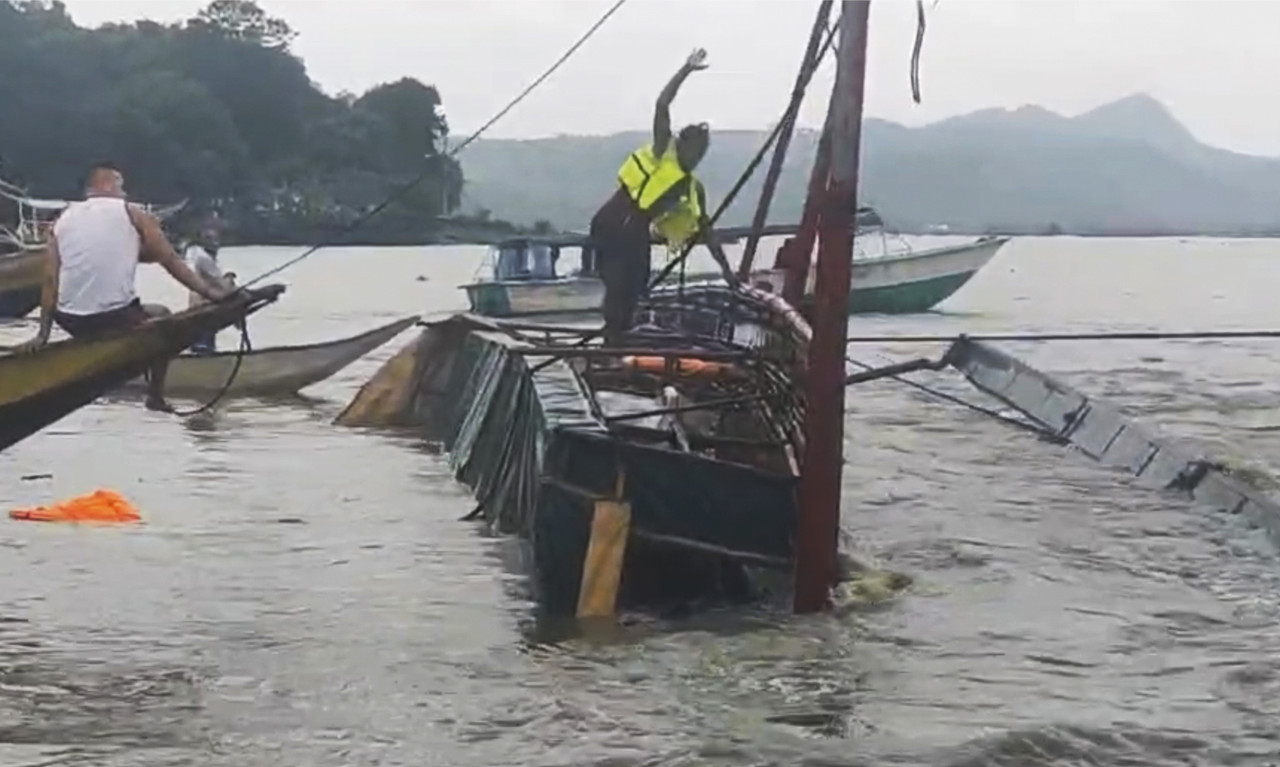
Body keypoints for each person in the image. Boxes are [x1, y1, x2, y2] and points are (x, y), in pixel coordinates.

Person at [17, 161, 229, 412]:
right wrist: (212, 294)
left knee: (131, 318)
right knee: (162, 317)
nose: (125, 193)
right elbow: (170, 260)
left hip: (70, 319)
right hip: (113, 317)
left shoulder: (61, 221)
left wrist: (43, 334)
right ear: (105, 185)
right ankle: (155, 396)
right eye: (121, 186)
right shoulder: (132, 213)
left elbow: (51, 280)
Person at [589, 48, 734, 344]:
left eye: (703, 153)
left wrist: (729, 274)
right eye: (695, 150)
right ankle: (611, 345)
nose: (697, 157)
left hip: (636, 232)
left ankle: (619, 343)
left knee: (636, 288)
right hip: (613, 221)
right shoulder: (661, 149)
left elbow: (708, 230)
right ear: (682, 144)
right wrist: (686, 69)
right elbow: (662, 103)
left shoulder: (693, 188)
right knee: (617, 288)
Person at [182, 216, 236, 354]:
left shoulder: (193, 252)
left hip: (199, 308)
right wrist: (229, 279)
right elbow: (220, 281)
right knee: (204, 343)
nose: (215, 240)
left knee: (201, 342)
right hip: (204, 308)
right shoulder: (201, 256)